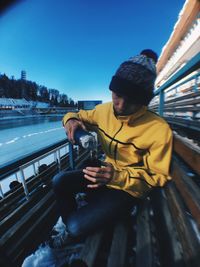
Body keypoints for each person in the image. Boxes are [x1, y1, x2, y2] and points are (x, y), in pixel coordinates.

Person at [50, 49, 173, 248]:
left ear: (144, 101)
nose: (121, 105)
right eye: (117, 95)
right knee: (59, 181)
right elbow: (76, 114)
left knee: (74, 228)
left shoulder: (159, 129)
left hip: (128, 189)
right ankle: (78, 220)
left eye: (132, 100)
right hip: (103, 174)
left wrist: (116, 177)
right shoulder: (103, 110)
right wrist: (70, 120)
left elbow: (157, 176)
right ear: (112, 90)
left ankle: (75, 229)